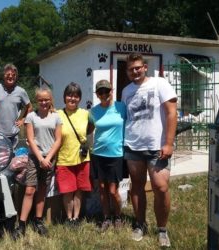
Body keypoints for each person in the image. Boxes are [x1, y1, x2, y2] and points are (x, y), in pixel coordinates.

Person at [121, 53, 177, 247]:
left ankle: (162, 229)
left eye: (137, 67)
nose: (134, 71)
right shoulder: (126, 91)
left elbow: (171, 112)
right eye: (130, 69)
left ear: (145, 67)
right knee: (136, 185)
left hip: (157, 146)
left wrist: (168, 143)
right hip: (133, 145)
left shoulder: (159, 83)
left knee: (160, 187)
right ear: (127, 72)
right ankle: (140, 224)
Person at [13, 87, 62, 238]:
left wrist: (48, 158)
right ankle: (22, 224)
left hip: (50, 158)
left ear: (50, 100)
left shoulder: (56, 117)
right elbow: (30, 139)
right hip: (35, 158)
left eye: (46, 99)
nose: (44, 102)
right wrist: (41, 158)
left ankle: (38, 221)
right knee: (30, 190)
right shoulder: (31, 117)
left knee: (42, 190)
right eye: (40, 99)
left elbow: (58, 139)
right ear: (37, 101)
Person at [88, 79, 126, 232]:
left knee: (113, 190)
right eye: (100, 92)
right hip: (98, 154)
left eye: (106, 91)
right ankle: (106, 218)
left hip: (116, 154)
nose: (104, 94)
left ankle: (118, 216)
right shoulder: (93, 112)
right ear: (97, 94)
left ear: (112, 91)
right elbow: (87, 130)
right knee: (102, 189)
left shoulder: (121, 107)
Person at [56, 82, 92, 226]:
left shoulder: (85, 114)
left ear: (80, 98)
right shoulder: (57, 114)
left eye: (76, 96)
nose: (73, 98)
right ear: (64, 97)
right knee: (67, 191)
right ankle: (68, 218)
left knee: (79, 190)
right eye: (70, 95)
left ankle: (76, 218)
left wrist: (89, 145)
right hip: (64, 158)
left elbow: (93, 128)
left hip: (82, 159)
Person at [0, 63, 32, 147]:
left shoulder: (21, 91)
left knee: (12, 159)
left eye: (13, 75)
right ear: (3, 75)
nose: (10, 76)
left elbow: (29, 107)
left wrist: (23, 120)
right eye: (8, 74)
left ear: (16, 76)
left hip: (13, 135)